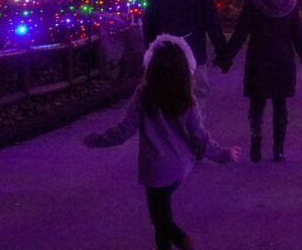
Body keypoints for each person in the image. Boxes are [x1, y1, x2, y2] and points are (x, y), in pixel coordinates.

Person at [82, 39, 241, 250]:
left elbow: (124, 131)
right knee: (161, 217)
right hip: (179, 167)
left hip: (155, 169)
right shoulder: (186, 97)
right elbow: (198, 135)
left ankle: (183, 241)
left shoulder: (144, 94)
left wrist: (94, 140)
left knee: (160, 219)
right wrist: (222, 155)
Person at [218, 0, 302, 163]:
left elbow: (241, 33)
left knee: (257, 104)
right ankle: (278, 148)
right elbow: (297, 34)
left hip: (259, 59)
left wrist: (226, 58)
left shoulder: (253, 0)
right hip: (283, 60)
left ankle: (256, 140)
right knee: (280, 105)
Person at [143, 0, 226, 112]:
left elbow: (148, 24)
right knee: (197, 93)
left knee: (165, 95)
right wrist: (222, 51)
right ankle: (192, 129)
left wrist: (149, 50)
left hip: (164, 52)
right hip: (193, 51)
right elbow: (212, 22)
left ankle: (169, 131)